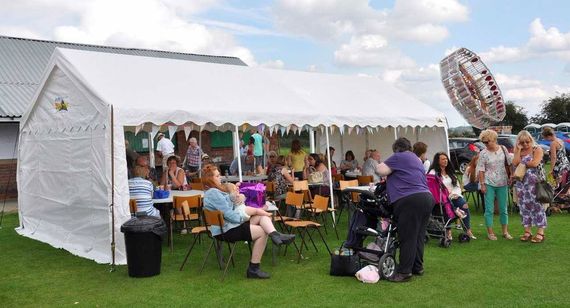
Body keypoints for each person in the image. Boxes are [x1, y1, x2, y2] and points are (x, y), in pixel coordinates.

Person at [202, 165, 295, 279]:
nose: (220, 177)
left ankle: (276, 235)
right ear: (210, 179)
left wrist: (239, 198)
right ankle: (253, 269)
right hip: (226, 230)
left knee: (262, 218)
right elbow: (229, 214)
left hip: (229, 225)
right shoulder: (213, 193)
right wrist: (245, 217)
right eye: (217, 176)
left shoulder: (214, 191)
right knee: (262, 231)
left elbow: (230, 207)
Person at [375, 137, 434, 282]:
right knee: (418, 236)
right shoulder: (416, 159)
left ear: (397, 149)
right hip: (426, 198)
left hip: (409, 200)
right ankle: (417, 267)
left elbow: (380, 170)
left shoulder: (399, 156)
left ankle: (404, 271)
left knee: (407, 237)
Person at [428, 152, 476, 239]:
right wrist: (447, 195)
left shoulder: (450, 171)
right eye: (443, 159)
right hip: (441, 198)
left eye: (446, 159)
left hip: (454, 195)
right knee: (447, 207)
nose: (445, 161)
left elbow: (457, 186)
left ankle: (468, 230)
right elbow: (433, 188)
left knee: (464, 205)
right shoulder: (433, 173)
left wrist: (456, 194)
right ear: (437, 161)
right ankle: (448, 231)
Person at [477, 129, 513, 241]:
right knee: (489, 209)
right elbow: (481, 170)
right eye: (484, 142)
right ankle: (490, 232)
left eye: (487, 142)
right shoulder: (483, 153)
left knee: (503, 208)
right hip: (489, 183)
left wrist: (511, 175)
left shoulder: (503, 149)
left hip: (503, 182)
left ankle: (505, 232)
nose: (486, 144)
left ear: (494, 139)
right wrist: (482, 184)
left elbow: (509, 164)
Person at [512, 131, 547, 243]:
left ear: (531, 140)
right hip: (521, 184)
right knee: (524, 207)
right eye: (522, 142)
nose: (525, 144)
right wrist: (517, 150)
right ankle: (527, 231)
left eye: (527, 141)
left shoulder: (537, 149)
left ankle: (540, 232)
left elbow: (535, 163)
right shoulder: (519, 150)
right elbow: (515, 162)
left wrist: (522, 164)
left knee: (538, 206)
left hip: (535, 183)